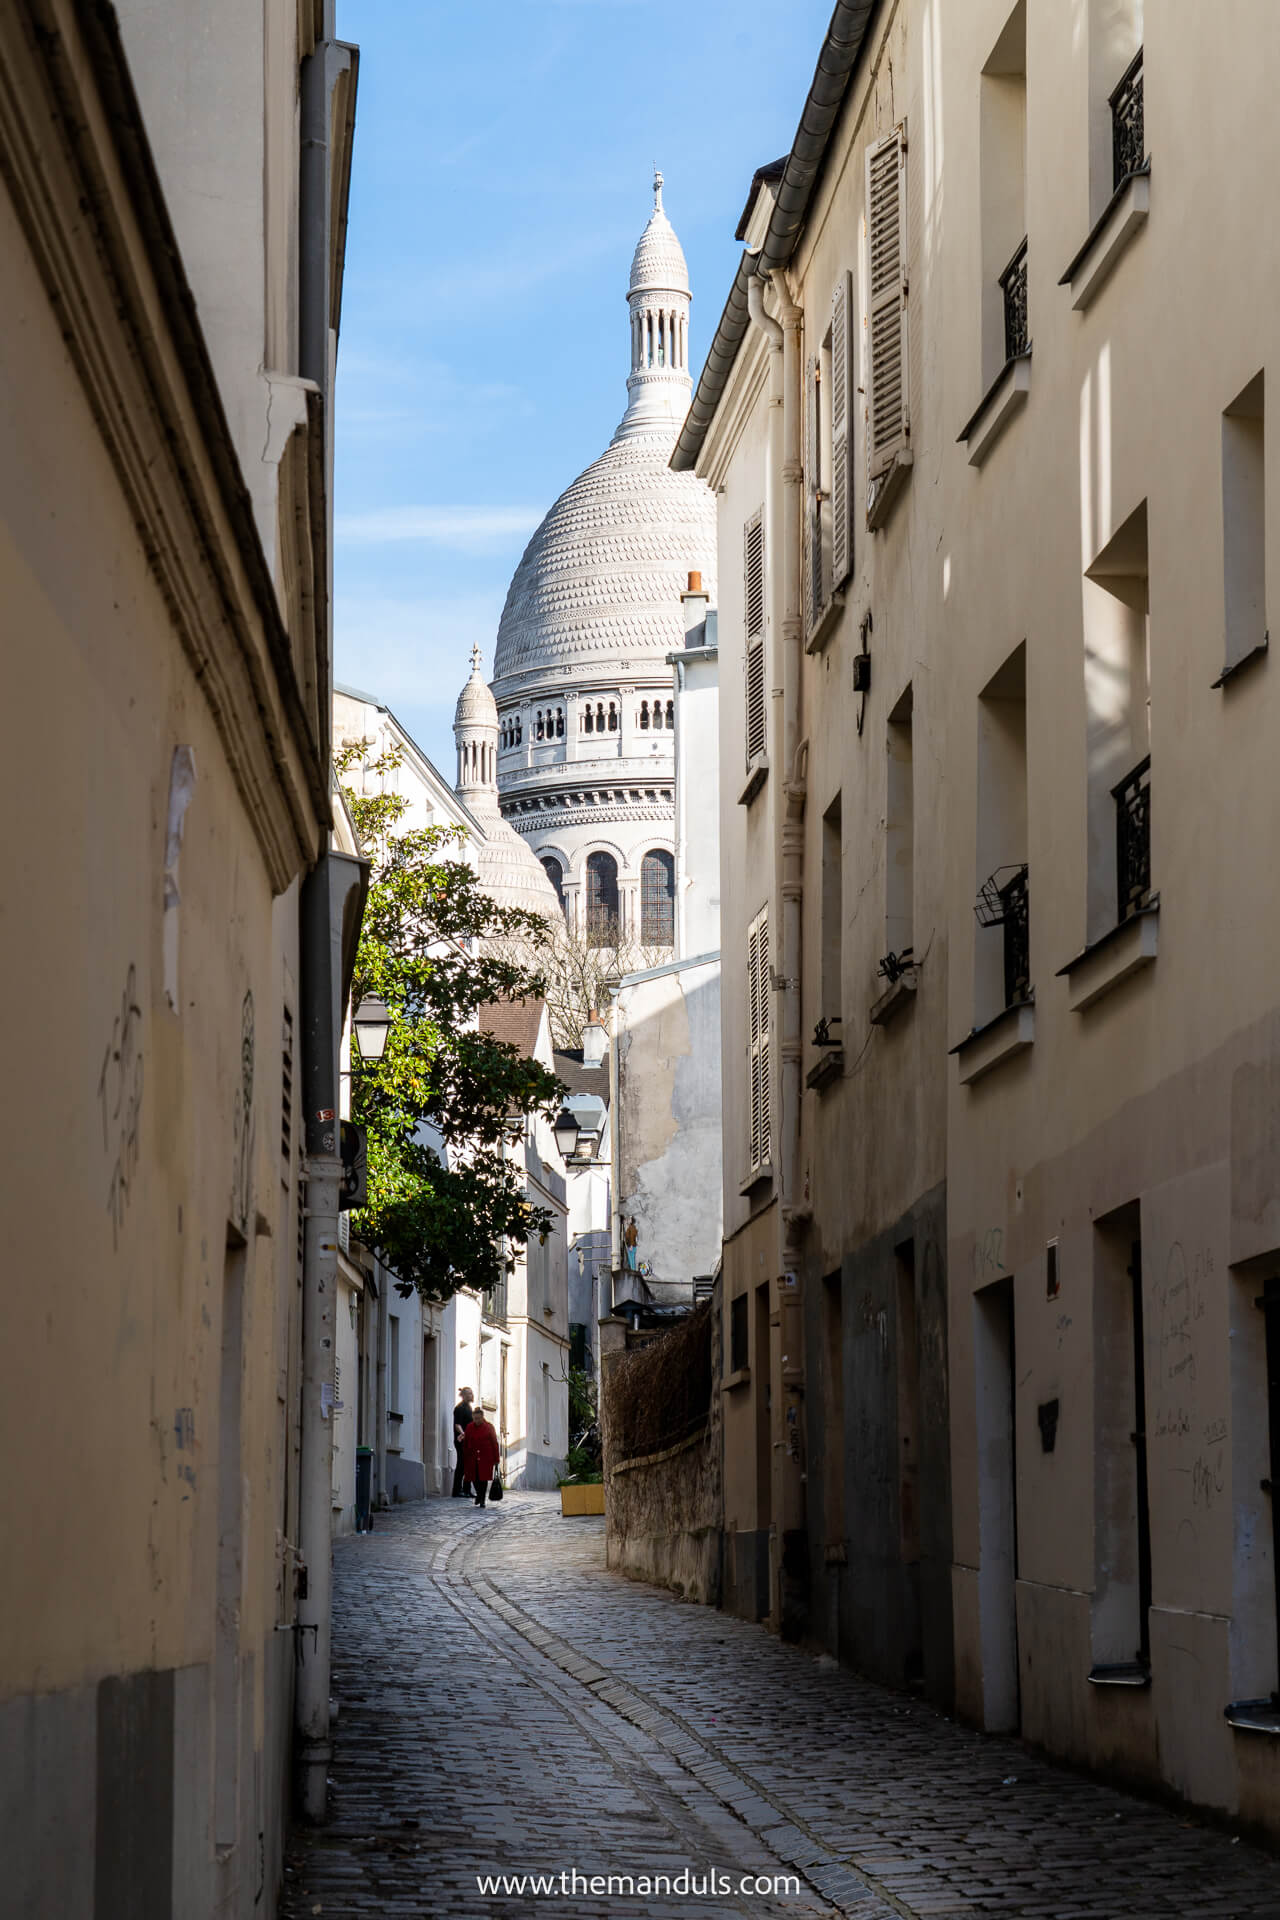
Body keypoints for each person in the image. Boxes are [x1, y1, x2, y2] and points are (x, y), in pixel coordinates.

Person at [462, 1405, 501, 1509]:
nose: (476, 1421)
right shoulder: (469, 1427)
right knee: (474, 1478)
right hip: (472, 1458)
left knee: (483, 1480)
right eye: (474, 1419)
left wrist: (496, 1459)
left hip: (486, 1458)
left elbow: (494, 1444)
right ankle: (479, 1495)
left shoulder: (489, 1427)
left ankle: (482, 1500)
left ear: (482, 1417)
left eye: (478, 1418)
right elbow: (466, 1443)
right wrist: (465, 1455)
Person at [451, 1387, 474, 1498]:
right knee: (461, 1465)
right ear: (463, 1395)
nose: (471, 1395)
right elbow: (457, 1425)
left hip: (469, 1442)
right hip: (461, 1441)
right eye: (469, 1394)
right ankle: (456, 1490)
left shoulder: (469, 1408)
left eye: (471, 1393)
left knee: (468, 1466)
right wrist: (463, 1434)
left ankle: (466, 1490)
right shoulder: (459, 1408)